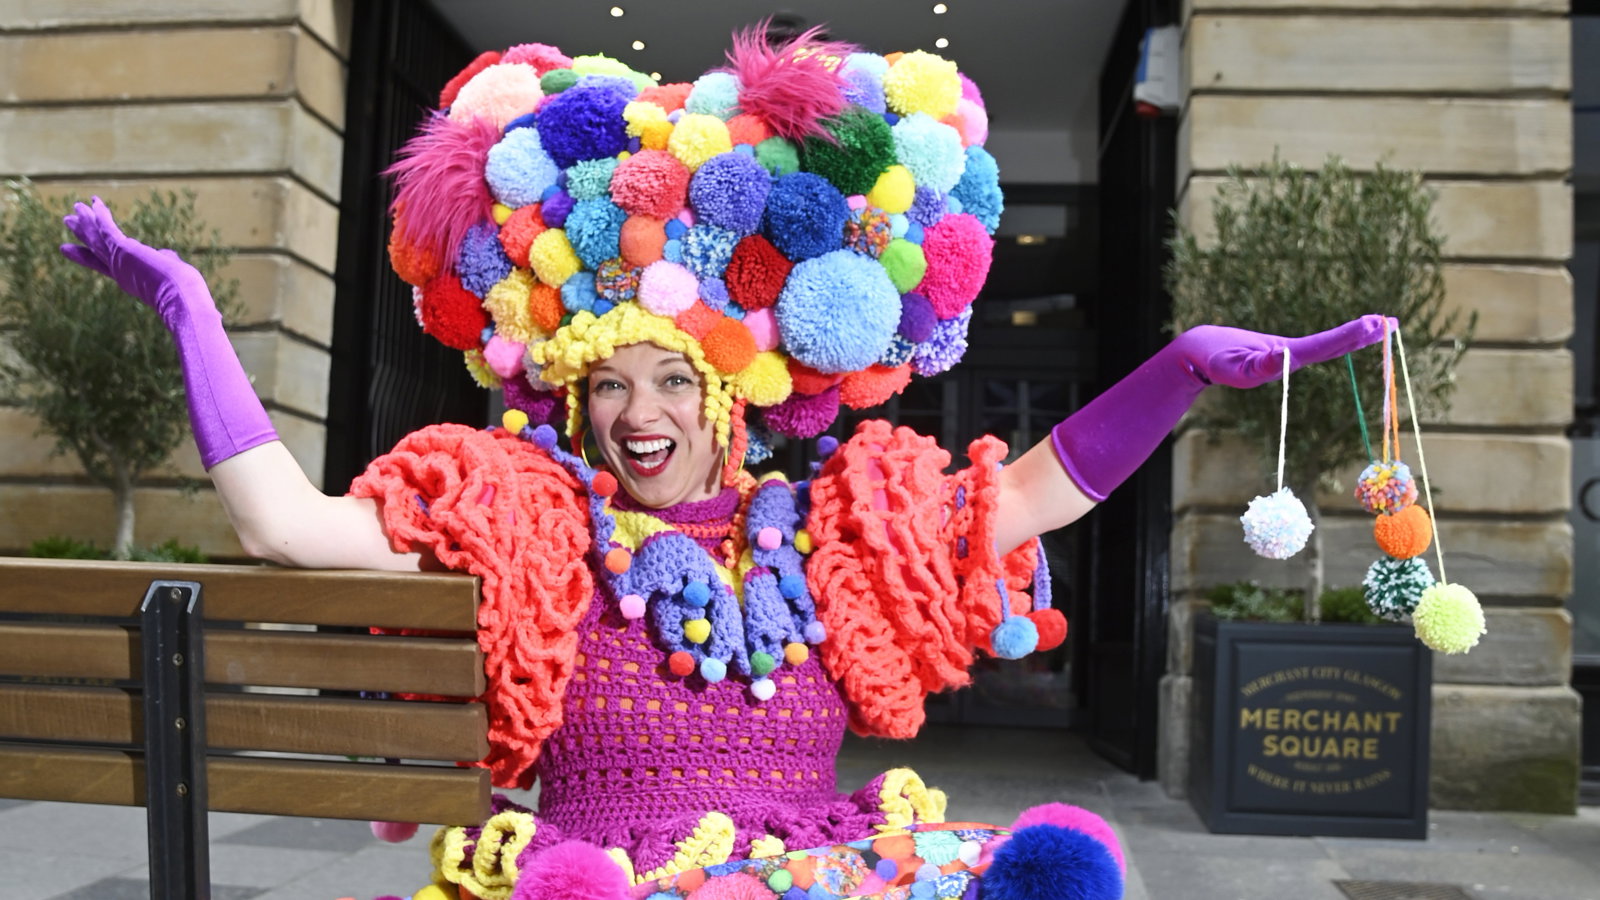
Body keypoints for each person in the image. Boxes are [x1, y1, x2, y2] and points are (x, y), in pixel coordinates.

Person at [60, 27, 1391, 900]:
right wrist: (189, 309)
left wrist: (1180, 371)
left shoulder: (830, 525)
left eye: (670, 382)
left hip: (816, 871)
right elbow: (290, 531)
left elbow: (1034, 492)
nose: (638, 414)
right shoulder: (525, 512)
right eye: (606, 386)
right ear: (566, 400)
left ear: (739, 396)